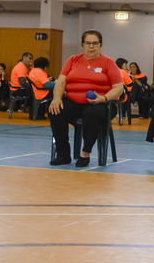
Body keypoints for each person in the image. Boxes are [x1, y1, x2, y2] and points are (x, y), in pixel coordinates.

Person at [48, 30, 122, 167]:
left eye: (95, 43)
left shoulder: (108, 62)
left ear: (101, 45)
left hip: (100, 103)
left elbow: (118, 87)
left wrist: (104, 98)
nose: (91, 46)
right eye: (88, 43)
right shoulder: (73, 60)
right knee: (55, 110)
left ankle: (85, 152)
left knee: (93, 114)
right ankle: (63, 154)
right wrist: (56, 98)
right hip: (73, 101)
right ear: (83, 45)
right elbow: (61, 82)